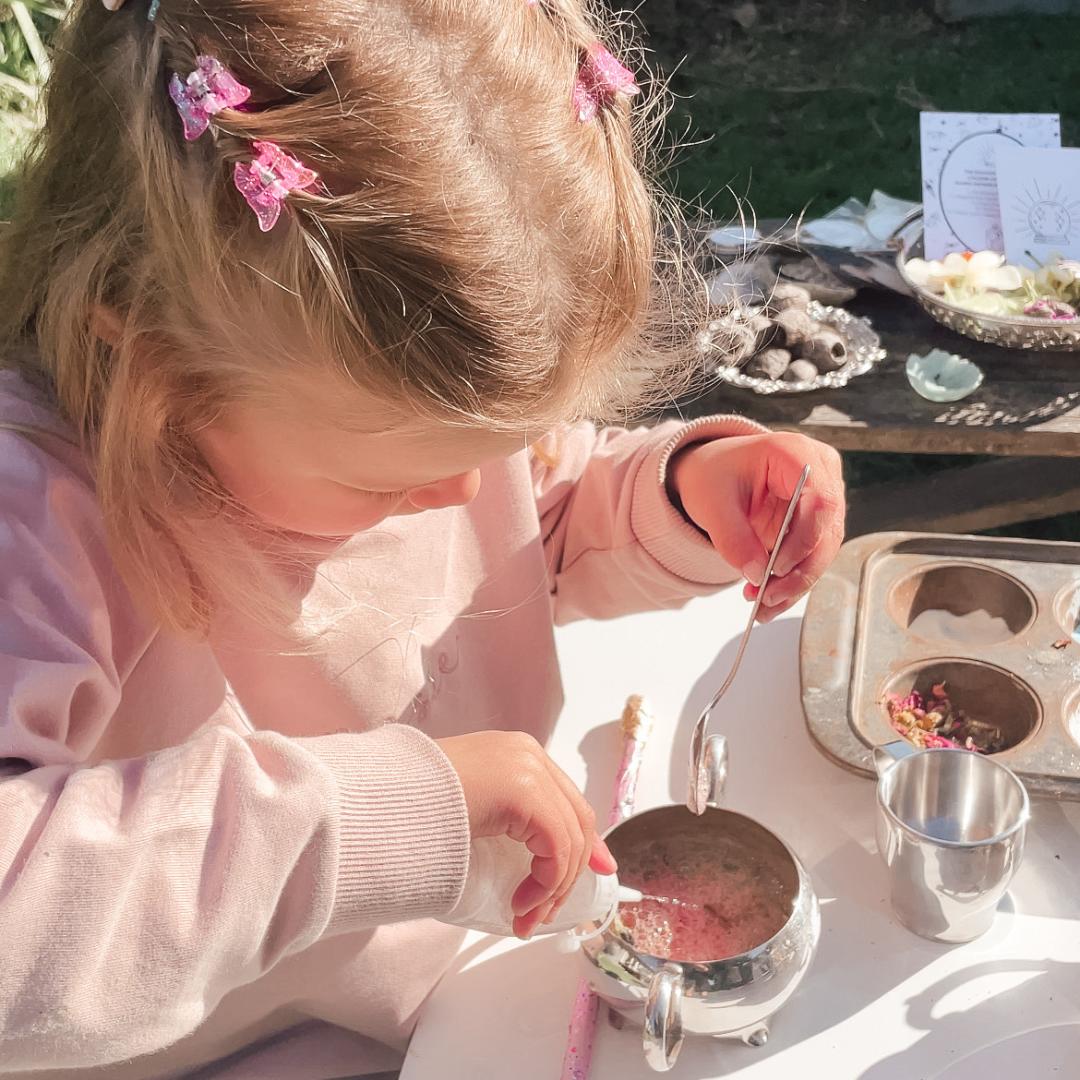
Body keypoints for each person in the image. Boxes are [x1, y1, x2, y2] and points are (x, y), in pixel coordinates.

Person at [0, 0, 845, 1075]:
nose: (463, 495)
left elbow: (529, 526)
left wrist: (678, 496)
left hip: (466, 993)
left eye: (505, 441)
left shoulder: (363, 420)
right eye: (384, 479)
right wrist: (374, 822)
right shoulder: (38, 517)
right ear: (151, 370)